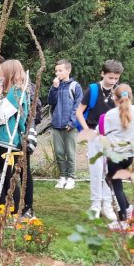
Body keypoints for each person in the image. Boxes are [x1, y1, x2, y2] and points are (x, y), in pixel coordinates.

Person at [76, 60, 123, 220]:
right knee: (96, 170)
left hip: (112, 135)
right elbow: (79, 112)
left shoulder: (119, 91)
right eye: (110, 77)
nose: (113, 81)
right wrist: (86, 129)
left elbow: (124, 112)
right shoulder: (93, 89)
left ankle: (107, 205)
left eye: (116, 78)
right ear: (102, 74)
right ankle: (95, 204)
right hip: (95, 133)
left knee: (109, 171)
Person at [0, 60, 34, 217]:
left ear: (9, 74)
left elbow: (0, 117)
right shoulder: (17, 91)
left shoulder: (16, 92)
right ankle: (19, 207)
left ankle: (22, 208)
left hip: (10, 141)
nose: (0, 76)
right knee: (16, 174)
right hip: (11, 140)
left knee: (10, 174)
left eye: (2, 74)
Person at [98, 83, 134, 228]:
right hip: (129, 156)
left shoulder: (109, 115)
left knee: (116, 185)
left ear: (114, 98)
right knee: (113, 181)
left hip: (115, 155)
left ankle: (123, 219)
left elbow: (102, 132)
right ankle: (129, 207)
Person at [47, 59, 82, 190]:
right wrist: (54, 88)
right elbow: (51, 101)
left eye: (60, 70)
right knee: (59, 152)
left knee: (70, 152)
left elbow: (77, 106)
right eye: (56, 70)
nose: (57, 73)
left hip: (69, 126)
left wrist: (72, 122)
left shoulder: (75, 86)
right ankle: (62, 177)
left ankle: (71, 178)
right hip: (56, 124)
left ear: (68, 70)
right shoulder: (56, 86)